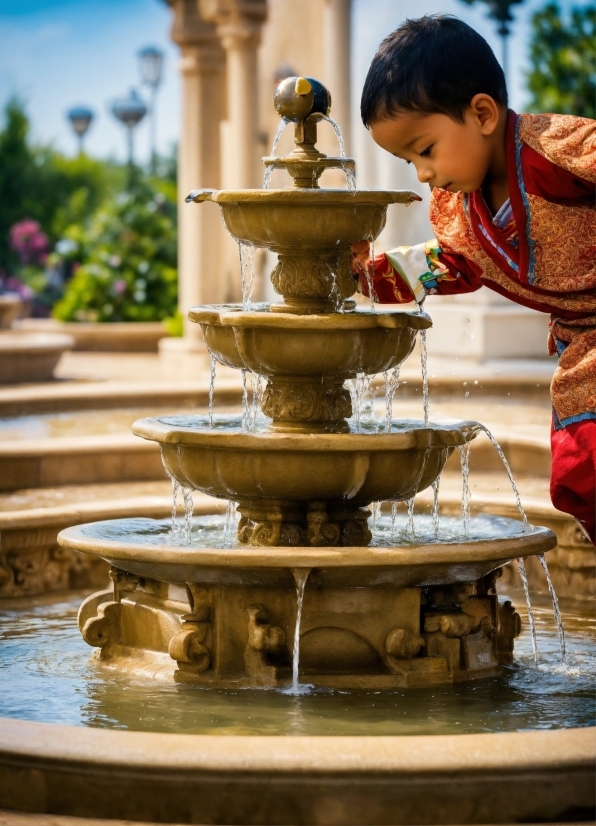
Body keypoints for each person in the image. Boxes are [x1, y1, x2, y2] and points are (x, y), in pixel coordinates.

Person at [350, 15, 596, 544]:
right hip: (583, 346)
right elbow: (451, 266)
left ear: (482, 113)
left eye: (425, 149)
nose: (421, 173)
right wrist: (366, 276)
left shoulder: (556, 148)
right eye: (407, 159)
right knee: (580, 473)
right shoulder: (458, 213)